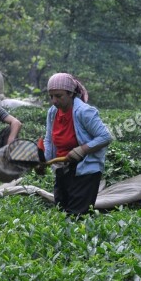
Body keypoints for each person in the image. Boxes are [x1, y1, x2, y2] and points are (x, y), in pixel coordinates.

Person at [43, 73, 113, 216]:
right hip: (62, 168)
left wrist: (82, 150)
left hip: (85, 169)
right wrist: (44, 160)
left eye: (58, 96)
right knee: (61, 211)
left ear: (70, 94)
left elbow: (105, 136)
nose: (54, 101)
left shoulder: (84, 112)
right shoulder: (52, 112)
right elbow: (49, 139)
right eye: (51, 96)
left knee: (77, 215)